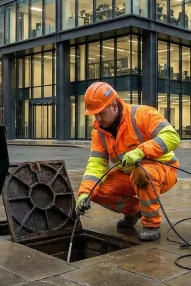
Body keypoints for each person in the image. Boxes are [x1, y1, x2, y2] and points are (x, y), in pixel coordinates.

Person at [75, 82, 180, 242]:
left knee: (142, 174)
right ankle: (134, 211)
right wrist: (84, 193)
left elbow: (172, 137)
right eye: (95, 115)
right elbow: (96, 165)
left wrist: (141, 151)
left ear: (114, 105)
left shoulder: (142, 114)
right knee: (95, 190)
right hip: (131, 174)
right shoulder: (99, 133)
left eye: (101, 113)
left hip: (164, 171)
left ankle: (151, 224)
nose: (98, 119)